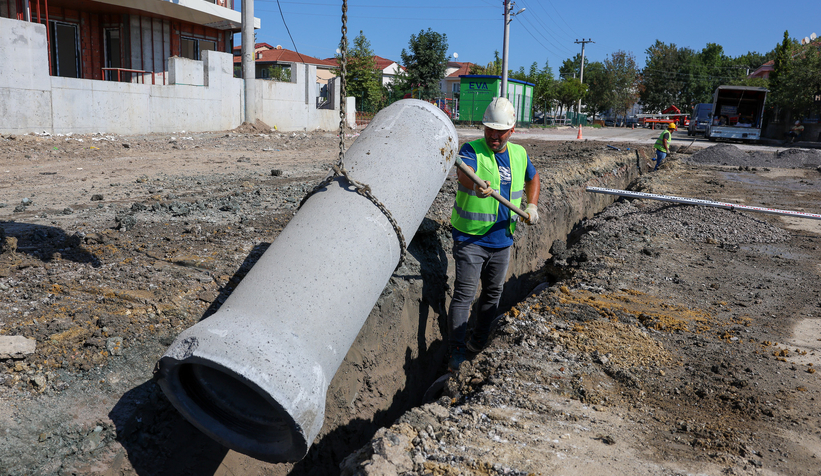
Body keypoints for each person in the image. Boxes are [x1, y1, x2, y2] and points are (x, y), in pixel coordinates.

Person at [448, 97, 541, 372]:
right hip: (471, 238)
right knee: (464, 295)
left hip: (502, 238)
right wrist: (476, 185)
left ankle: (478, 342)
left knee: (493, 293)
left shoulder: (519, 154)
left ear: (512, 130)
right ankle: (455, 353)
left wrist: (532, 204)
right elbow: (464, 173)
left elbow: (532, 177)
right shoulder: (471, 149)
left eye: (500, 132)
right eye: (489, 129)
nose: (493, 136)